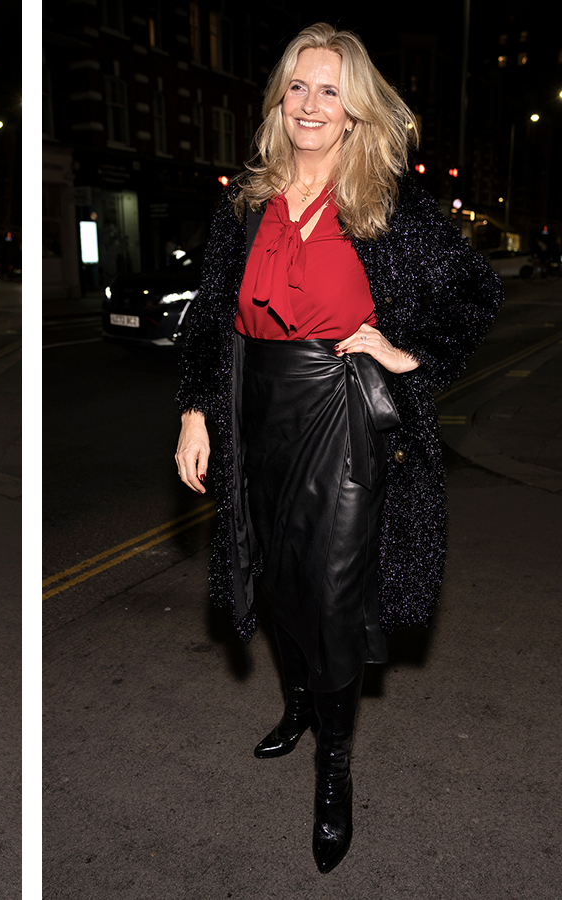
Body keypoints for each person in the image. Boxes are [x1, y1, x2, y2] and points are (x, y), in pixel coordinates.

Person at [172, 23, 502, 873]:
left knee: (332, 589)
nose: (312, 105)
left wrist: (406, 352)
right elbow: (213, 313)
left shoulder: (385, 202)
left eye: (330, 91)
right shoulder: (245, 202)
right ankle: (298, 702)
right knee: (272, 574)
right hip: (253, 405)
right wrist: (196, 411)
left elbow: (472, 292)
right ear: (280, 100)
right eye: (298, 87)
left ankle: (335, 769)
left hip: (342, 412)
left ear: (355, 112)